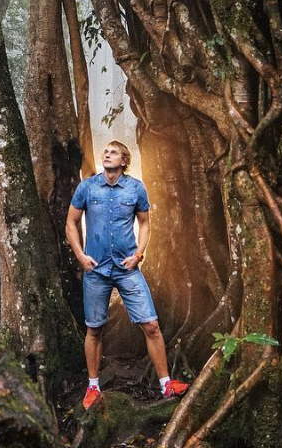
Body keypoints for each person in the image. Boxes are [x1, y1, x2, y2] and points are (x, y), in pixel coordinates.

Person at [65, 140, 189, 410]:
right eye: (105, 152)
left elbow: (145, 224)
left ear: (124, 160)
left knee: (151, 326)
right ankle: (93, 387)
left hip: (126, 270)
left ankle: (166, 383)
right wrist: (79, 255)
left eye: (113, 152)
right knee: (94, 329)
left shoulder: (135, 188)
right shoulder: (87, 187)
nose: (106, 155)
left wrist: (139, 254)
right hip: (96, 270)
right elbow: (71, 222)